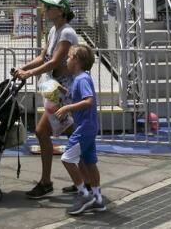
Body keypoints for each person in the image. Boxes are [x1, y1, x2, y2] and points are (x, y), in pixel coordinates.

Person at [13, 0, 79, 199]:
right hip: (53, 90)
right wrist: (22, 68)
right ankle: (81, 181)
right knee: (72, 136)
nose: (46, 9)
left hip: (63, 93)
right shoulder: (53, 30)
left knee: (48, 133)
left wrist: (29, 73)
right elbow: (43, 57)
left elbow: (54, 62)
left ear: (60, 11)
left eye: (50, 7)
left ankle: (51, 182)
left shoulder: (67, 33)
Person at [54, 44, 104, 215]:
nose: (66, 60)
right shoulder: (81, 78)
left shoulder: (82, 79)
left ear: (76, 60)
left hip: (84, 128)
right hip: (89, 127)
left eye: (68, 57)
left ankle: (84, 194)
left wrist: (67, 109)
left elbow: (88, 100)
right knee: (90, 162)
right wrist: (63, 90)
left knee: (67, 158)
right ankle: (97, 198)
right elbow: (79, 95)